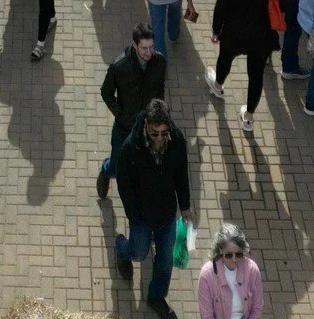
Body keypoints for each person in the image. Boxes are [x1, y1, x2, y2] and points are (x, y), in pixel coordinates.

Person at [115, 98, 193, 319]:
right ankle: (121, 246)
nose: (160, 138)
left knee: (165, 260)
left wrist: (185, 206)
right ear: (147, 124)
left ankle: (156, 296)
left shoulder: (176, 141)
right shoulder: (131, 149)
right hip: (141, 215)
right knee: (138, 253)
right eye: (155, 133)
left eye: (164, 132)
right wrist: (134, 214)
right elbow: (124, 184)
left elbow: (181, 175)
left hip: (166, 213)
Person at [206, 0, 293, 133]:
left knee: (225, 59)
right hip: (260, 39)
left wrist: (215, 31)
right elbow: (286, 1)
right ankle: (249, 118)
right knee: (255, 76)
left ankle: (218, 85)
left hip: (232, 35)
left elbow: (220, 8)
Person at [98, 23, 167, 199]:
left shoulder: (159, 62)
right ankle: (106, 171)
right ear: (135, 45)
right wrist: (120, 113)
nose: (149, 53)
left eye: (152, 47)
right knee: (116, 167)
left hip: (147, 127)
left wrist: (159, 113)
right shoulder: (119, 66)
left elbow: (160, 88)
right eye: (144, 48)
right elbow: (106, 93)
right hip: (124, 127)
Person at [196, 222, 264, 319]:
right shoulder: (207, 275)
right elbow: (207, 315)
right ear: (220, 250)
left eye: (238, 254)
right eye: (228, 255)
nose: (234, 259)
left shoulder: (252, 270)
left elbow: (257, 307)